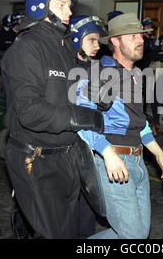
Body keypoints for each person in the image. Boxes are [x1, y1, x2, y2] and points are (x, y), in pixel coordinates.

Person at [1, 0, 104, 239]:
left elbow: (75, 90)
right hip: (35, 158)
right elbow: (29, 111)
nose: (68, 12)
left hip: (66, 156)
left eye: (70, 6)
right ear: (40, 6)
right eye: (61, 5)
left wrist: (97, 97)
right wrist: (76, 117)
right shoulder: (26, 48)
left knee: (69, 232)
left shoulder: (64, 47)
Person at [76, 12, 163, 239]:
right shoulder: (99, 73)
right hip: (115, 162)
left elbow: (139, 122)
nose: (140, 40)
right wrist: (108, 153)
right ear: (115, 41)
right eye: (131, 36)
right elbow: (81, 120)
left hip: (138, 162)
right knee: (134, 237)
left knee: (137, 235)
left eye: (140, 35)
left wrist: (158, 153)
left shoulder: (137, 74)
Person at [69, 14, 107, 238]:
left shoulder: (98, 68)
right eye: (91, 40)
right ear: (76, 38)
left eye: (98, 41)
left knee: (86, 208)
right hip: (65, 147)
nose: (96, 46)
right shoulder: (62, 65)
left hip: (89, 147)